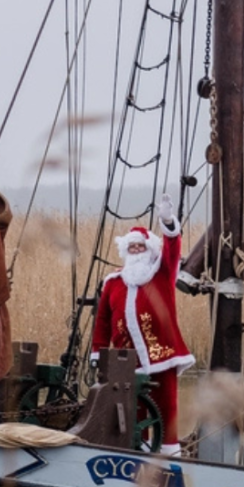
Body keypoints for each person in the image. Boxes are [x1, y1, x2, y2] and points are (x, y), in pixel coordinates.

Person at [91, 194, 195, 456]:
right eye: (132, 247)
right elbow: (102, 321)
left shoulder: (162, 272)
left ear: (151, 249)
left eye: (141, 247)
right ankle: (134, 451)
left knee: (165, 404)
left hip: (162, 355)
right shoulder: (113, 282)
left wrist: (168, 221)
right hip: (126, 359)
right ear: (126, 251)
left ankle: (168, 452)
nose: (137, 251)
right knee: (130, 406)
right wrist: (98, 351)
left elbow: (173, 247)